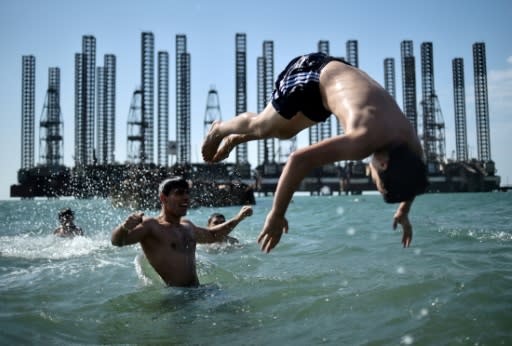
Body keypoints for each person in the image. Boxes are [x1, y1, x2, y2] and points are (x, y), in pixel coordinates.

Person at [202, 52, 428, 253]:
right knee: (262, 126)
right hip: (313, 72)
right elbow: (299, 160)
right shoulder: (363, 141)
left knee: (284, 132)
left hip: (332, 84)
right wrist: (277, 215)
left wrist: (403, 211)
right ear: (384, 165)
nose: (372, 176)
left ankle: (237, 138)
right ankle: (220, 129)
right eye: (377, 182)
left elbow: (413, 173)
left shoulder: (409, 146)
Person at [111, 177, 253, 287]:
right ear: (163, 198)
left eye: (187, 193)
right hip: (176, 297)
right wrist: (124, 227)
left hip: (199, 291)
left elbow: (213, 235)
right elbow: (117, 242)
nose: (186, 197)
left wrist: (238, 218)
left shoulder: (187, 226)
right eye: (179, 193)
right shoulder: (151, 226)